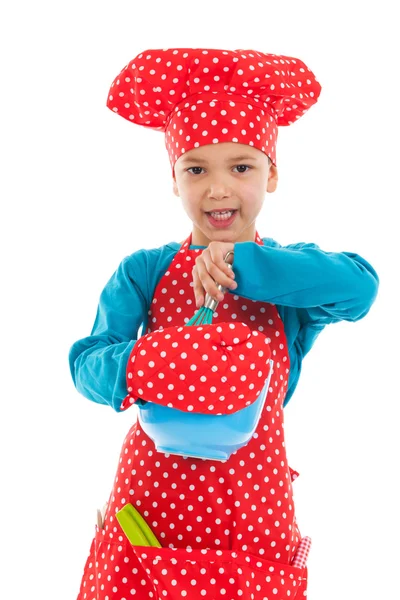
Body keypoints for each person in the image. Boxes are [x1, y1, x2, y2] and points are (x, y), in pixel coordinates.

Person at [69, 47, 379, 600]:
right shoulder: (146, 270)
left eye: (242, 166)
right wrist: (149, 362)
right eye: (196, 168)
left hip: (252, 506)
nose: (218, 188)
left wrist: (247, 264)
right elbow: (87, 364)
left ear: (272, 174)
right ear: (174, 179)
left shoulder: (290, 278)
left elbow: (361, 288)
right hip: (151, 498)